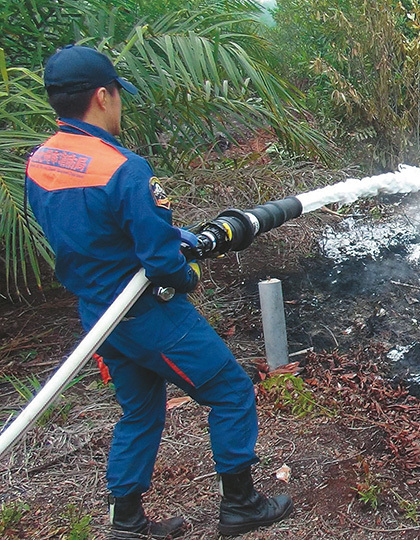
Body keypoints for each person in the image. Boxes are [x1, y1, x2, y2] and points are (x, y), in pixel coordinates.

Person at [24, 45, 294, 539]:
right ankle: (241, 504)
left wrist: (170, 239)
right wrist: (188, 273)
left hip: (98, 315)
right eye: (117, 96)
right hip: (148, 315)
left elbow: (94, 232)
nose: (119, 106)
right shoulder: (124, 169)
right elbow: (161, 265)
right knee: (230, 390)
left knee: (140, 410)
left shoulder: (40, 163)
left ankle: (126, 521)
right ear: (102, 96)